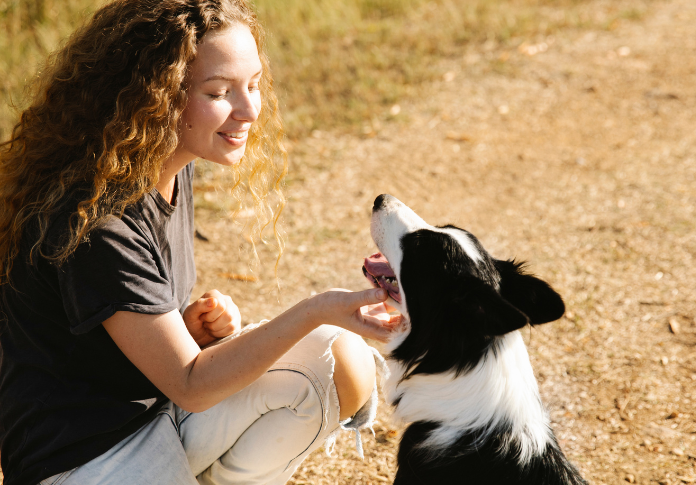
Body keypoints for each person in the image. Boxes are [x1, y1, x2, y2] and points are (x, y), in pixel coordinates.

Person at [0, 1, 399, 484]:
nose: (250, 108)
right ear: (155, 98)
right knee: (310, 336)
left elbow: (127, 337)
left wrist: (185, 329)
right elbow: (191, 383)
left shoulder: (168, 163)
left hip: (155, 415)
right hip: (84, 460)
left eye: (252, 85)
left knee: (339, 360)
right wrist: (316, 308)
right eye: (219, 91)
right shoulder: (97, 221)